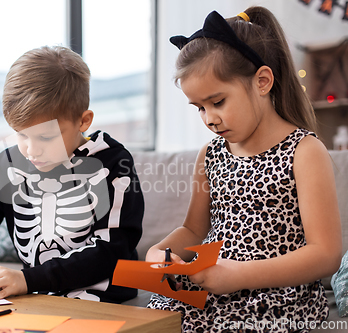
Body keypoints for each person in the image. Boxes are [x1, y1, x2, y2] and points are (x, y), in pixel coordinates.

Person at [146, 7, 341, 332]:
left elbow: (325, 254)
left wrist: (237, 275)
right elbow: (194, 231)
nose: (209, 118)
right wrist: (160, 250)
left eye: (218, 102)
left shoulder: (304, 152)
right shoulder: (210, 155)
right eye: (200, 108)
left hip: (278, 299)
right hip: (210, 289)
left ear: (262, 82)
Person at [0, 45, 144, 304]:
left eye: (46, 137)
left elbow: (113, 249)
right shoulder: (9, 163)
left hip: (103, 297)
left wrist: (28, 279)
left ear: (83, 121)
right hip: (37, 294)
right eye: (22, 135)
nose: (32, 151)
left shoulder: (113, 163)